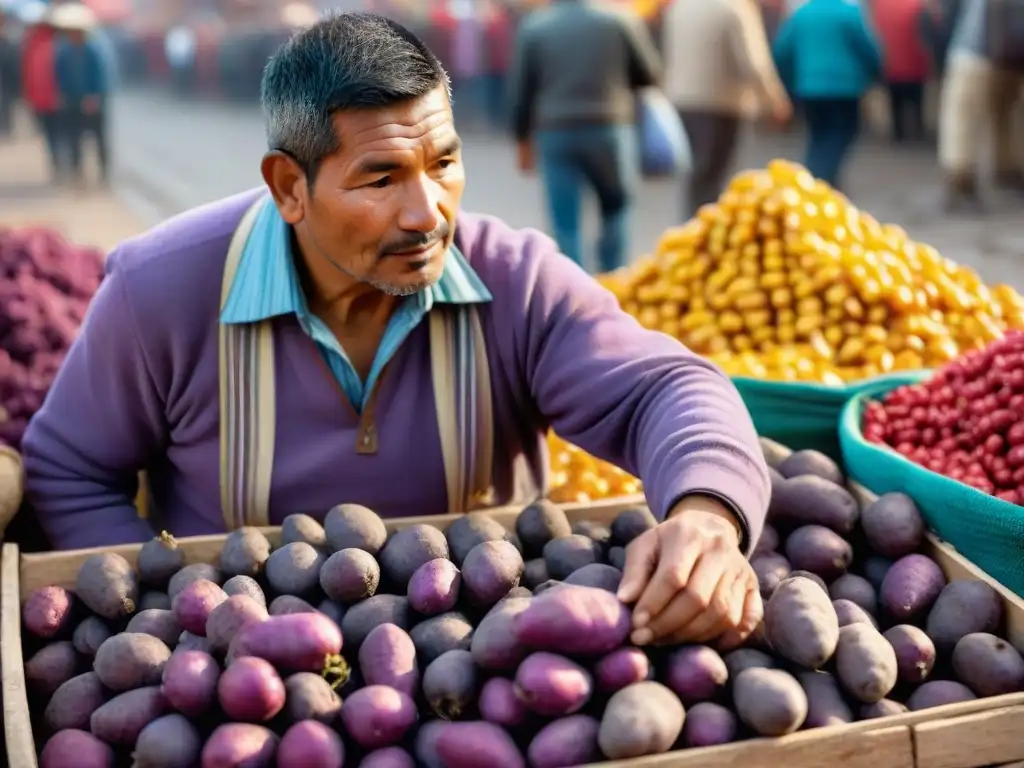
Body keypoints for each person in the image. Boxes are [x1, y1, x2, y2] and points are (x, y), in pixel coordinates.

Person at [23, 12, 771, 649]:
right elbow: (70, 466)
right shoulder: (161, 291)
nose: (427, 213)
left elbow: (666, 389)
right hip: (243, 670)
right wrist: (168, 618)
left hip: (486, 654)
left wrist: (706, 514)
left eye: (443, 163)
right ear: (290, 186)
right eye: (381, 179)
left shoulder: (516, 280)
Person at [506, 1, 661, 273]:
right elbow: (649, 74)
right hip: (609, 128)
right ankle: (614, 277)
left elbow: (521, 91)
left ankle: (574, 292)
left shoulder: (536, 27)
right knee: (616, 208)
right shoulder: (619, 21)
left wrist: (522, 141)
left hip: (556, 132)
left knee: (565, 222)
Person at [662, 0, 792, 219]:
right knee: (714, 176)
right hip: (722, 102)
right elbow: (754, 62)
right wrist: (774, 101)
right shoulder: (735, 9)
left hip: (682, 99)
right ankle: (708, 231)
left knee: (697, 173)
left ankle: (692, 226)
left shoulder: (680, 7)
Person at [773, 0, 882, 189]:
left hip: (810, 88)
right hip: (846, 88)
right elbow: (869, 49)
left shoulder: (802, 14)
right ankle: (820, 181)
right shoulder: (849, 13)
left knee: (818, 136)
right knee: (840, 134)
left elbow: (781, 51)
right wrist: (874, 73)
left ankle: (817, 179)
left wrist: (792, 79)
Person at [938, 0, 1024, 209]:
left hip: (973, 53)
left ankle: (962, 178)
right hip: (1006, 57)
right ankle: (1003, 171)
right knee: (1003, 116)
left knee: (963, 120)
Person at [52, 4, 110, 187]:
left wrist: (94, 96)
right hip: (73, 101)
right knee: (74, 139)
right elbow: (59, 75)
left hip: (93, 102)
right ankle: (77, 172)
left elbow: (101, 75)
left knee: (99, 139)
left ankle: (104, 173)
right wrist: (62, 94)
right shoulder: (64, 52)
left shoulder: (93, 51)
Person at [873, 0, 932, 143]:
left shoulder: (880, 5)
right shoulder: (918, 6)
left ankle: (898, 131)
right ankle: (917, 129)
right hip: (915, 63)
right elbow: (927, 33)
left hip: (891, 62)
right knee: (916, 100)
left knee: (895, 101)